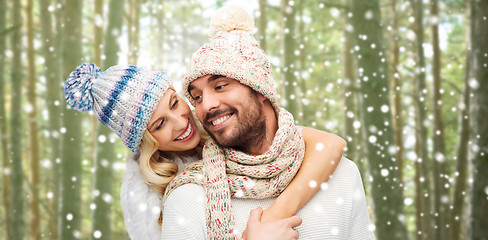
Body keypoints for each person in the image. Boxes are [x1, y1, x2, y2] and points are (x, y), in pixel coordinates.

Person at [161, 5, 375, 239]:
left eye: (220, 86)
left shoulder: (342, 174)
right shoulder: (187, 197)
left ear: (260, 89)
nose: (205, 105)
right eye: (197, 97)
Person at [64, 63, 346, 239]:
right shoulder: (148, 198)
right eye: (160, 124)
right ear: (144, 141)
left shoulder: (216, 122)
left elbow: (330, 144)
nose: (181, 123)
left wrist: (274, 216)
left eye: (174, 103)